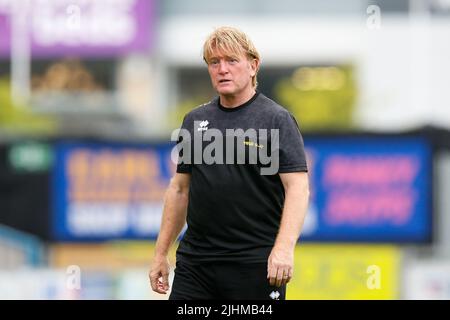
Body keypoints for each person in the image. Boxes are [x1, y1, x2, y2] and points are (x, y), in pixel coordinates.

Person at [149, 26, 310, 300]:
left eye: (231, 60)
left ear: (253, 66)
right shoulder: (194, 121)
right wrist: (160, 254)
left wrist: (283, 249)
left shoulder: (276, 120)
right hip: (196, 265)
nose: (222, 69)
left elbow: (298, 188)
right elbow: (179, 190)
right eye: (214, 62)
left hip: (255, 264)